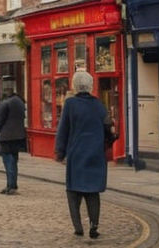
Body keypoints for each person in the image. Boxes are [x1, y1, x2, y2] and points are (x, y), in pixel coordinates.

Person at [54, 71, 116, 239]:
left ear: (75, 85)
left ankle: (78, 226)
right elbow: (108, 127)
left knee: (73, 191)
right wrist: (108, 142)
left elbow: (63, 130)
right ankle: (94, 226)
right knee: (92, 192)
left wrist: (60, 152)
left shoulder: (70, 104)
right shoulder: (98, 104)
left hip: (77, 153)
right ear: (90, 86)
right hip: (96, 153)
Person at [0, 88, 27, 194]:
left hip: (6, 136)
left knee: (8, 161)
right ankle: (12, 184)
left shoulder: (5, 103)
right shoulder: (20, 103)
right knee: (14, 160)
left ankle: (11, 185)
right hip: (18, 136)